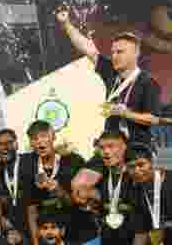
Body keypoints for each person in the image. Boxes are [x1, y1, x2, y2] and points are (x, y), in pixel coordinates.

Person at [58, 8, 162, 148]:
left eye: (120, 52)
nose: (114, 56)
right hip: (110, 146)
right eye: (113, 52)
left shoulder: (147, 82)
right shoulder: (111, 71)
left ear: (135, 53)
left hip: (137, 148)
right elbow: (88, 49)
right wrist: (66, 24)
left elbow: (153, 119)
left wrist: (125, 113)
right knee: (85, 171)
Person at [21, 121, 85, 245]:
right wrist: (35, 241)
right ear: (31, 143)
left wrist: (58, 190)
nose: (39, 142)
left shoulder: (73, 161)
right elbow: (31, 209)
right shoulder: (27, 166)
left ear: (53, 136)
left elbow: (80, 202)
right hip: (48, 237)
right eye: (34, 139)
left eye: (44, 136)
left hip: (75, 232)